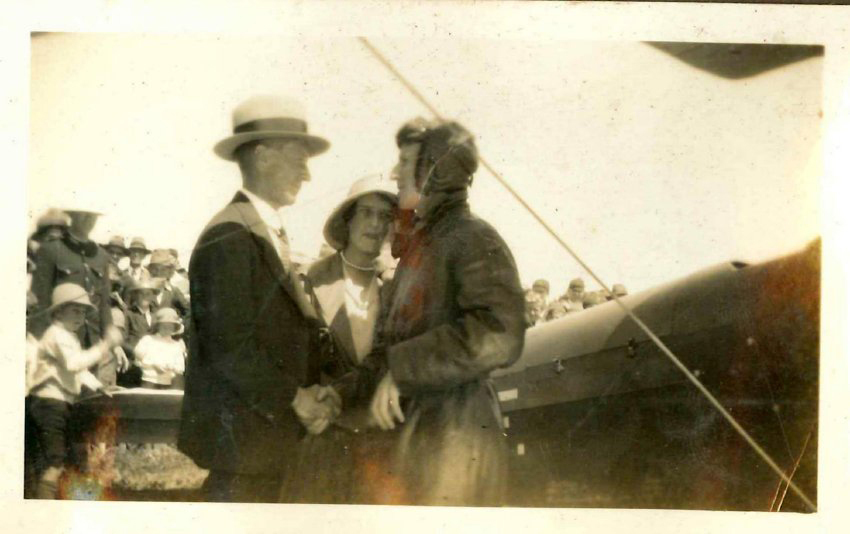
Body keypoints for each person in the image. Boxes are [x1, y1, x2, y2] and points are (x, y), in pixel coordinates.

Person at [178, 95, 340, 503]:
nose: (307, 174)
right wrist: (294, 397)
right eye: (298, 158)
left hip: (264, 443)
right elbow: (228, 345)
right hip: (243, 450)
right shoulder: (230, 236)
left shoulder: (258, 230)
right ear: (264, 156)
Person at [368, 118, 527, 506]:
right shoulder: (423, 248)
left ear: (434, 170)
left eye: (405, 162)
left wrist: (403, 369)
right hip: (427, 434)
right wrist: (339, 395)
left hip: (456, 440)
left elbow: (500, 331)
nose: (394, 173)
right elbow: (393, 349)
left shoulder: (472, 237)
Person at [283, 174, 398, 504]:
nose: (376, 225)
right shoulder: (312, 279)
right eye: (366, 213)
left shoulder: (396, 285)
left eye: (385, 216)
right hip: (323, 436)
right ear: (347, 221)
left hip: (382, 439)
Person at [26, 283, 124, 499]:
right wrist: (105, 345)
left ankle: (51, 501)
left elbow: (76, 372)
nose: (81, 317)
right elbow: (73, 364)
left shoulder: (67, 336)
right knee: (54, 462)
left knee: (63, 459)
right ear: (59, 311)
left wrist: (99, 386)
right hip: (49, 404)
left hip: (58, 403)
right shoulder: (57, 335)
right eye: (75, 311)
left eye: (84, 312)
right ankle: (42, 508)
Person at [28, 205, 128, 386]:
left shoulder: (100, 255)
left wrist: (113, 342)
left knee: (90, 399)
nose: (88, 220)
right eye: (83, 215)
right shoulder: (51, 250)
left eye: (92, 216)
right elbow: (40, 300)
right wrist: (37, 342)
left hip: (93, 338)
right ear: (71, 216)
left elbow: (104, 303)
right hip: (60, 339)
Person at [134, 307, 186, 390]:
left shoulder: (176, 345)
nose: (167, 328)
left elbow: (180, 368)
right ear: (158, 326)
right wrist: (154, 365)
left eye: (170, 326)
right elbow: (138, 360)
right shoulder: (148, 340)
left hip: (168, 384)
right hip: (149, 382)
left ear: (174, 328)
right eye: (164, 325)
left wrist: (171, 367)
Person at [147, 249, 190, 317]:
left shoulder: (173, 291)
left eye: (162, 269)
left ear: (168, 272)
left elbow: (188, 312)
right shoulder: (145, 291)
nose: (158, 273)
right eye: (155, 269)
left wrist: (179, 324)